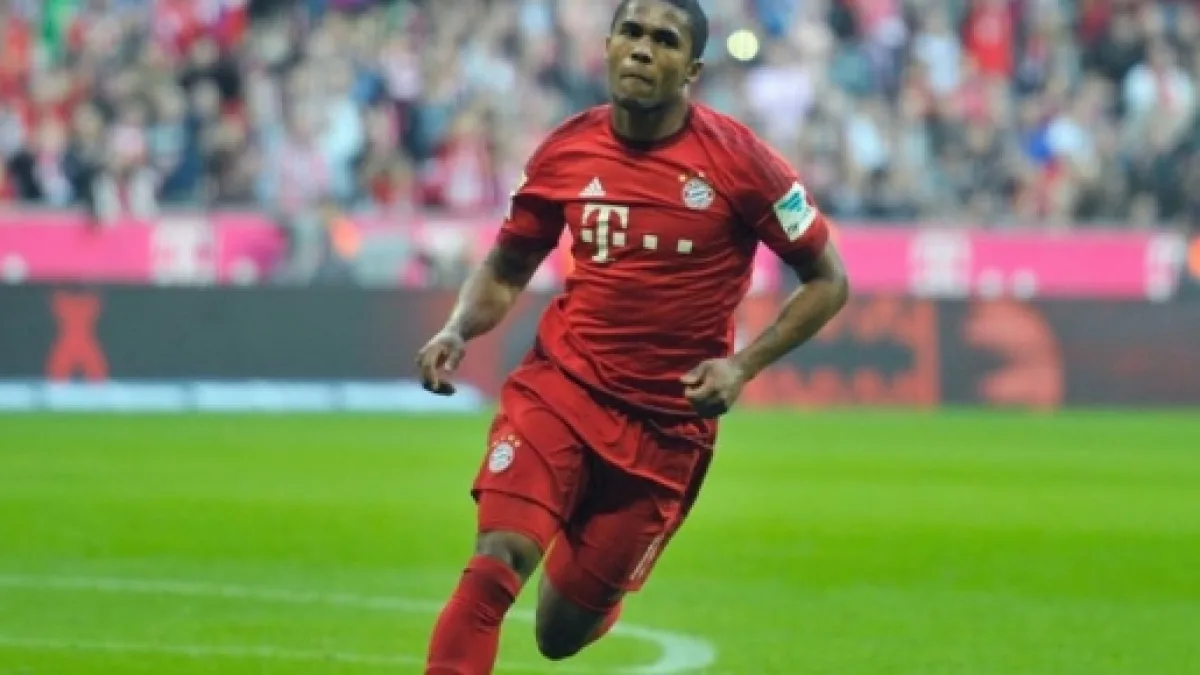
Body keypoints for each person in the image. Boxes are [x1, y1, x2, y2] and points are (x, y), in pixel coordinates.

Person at [415, 1, 850, 672]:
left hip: (664, 429)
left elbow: (828, 279)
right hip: (560, 390)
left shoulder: (743, 162)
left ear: (693, 70)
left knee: (558, 634)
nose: (644, 50)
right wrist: (457, 327)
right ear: (609, 45)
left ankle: (596, 581)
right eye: (632, 33)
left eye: (665, 41)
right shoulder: (565, 150)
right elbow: (506, 268)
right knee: (496, 559)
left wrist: (743, 367)